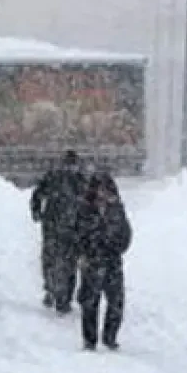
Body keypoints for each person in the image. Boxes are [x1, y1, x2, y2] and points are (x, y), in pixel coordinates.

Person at [73, 170, 132, 351]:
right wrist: (83, 253)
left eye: (106, 189)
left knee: (116, 301)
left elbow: (126, 232)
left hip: (112, 260)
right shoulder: (85, 209)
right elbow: (77, 233)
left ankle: (110, 337)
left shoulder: (117, 209)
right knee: (90, 302)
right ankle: (90, 340)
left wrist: (118, 248)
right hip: (92, 261)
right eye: (99, 189)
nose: (103, 193)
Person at [30, 150, 86, 313]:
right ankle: (58, 293)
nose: (70, 168)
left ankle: (59, 294)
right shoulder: (69, 179)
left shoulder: (57, 178)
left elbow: (37, 195)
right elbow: (38, 194)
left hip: (60, 226)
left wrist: (37, 211)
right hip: (62, 226)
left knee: (59, 262)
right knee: (64, 263)